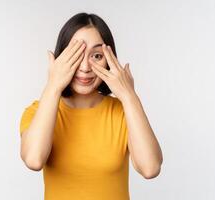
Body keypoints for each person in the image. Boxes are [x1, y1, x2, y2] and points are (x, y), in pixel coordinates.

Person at [19, 12, 163, 200]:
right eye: (76, 55)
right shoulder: (38, 112)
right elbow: (33, 159)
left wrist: (129, 96)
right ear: (62, 56)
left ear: (109, 60)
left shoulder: (122, 112)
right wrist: (53, 85)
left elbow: (150, 168)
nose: (85, 67)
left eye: (96, 55)